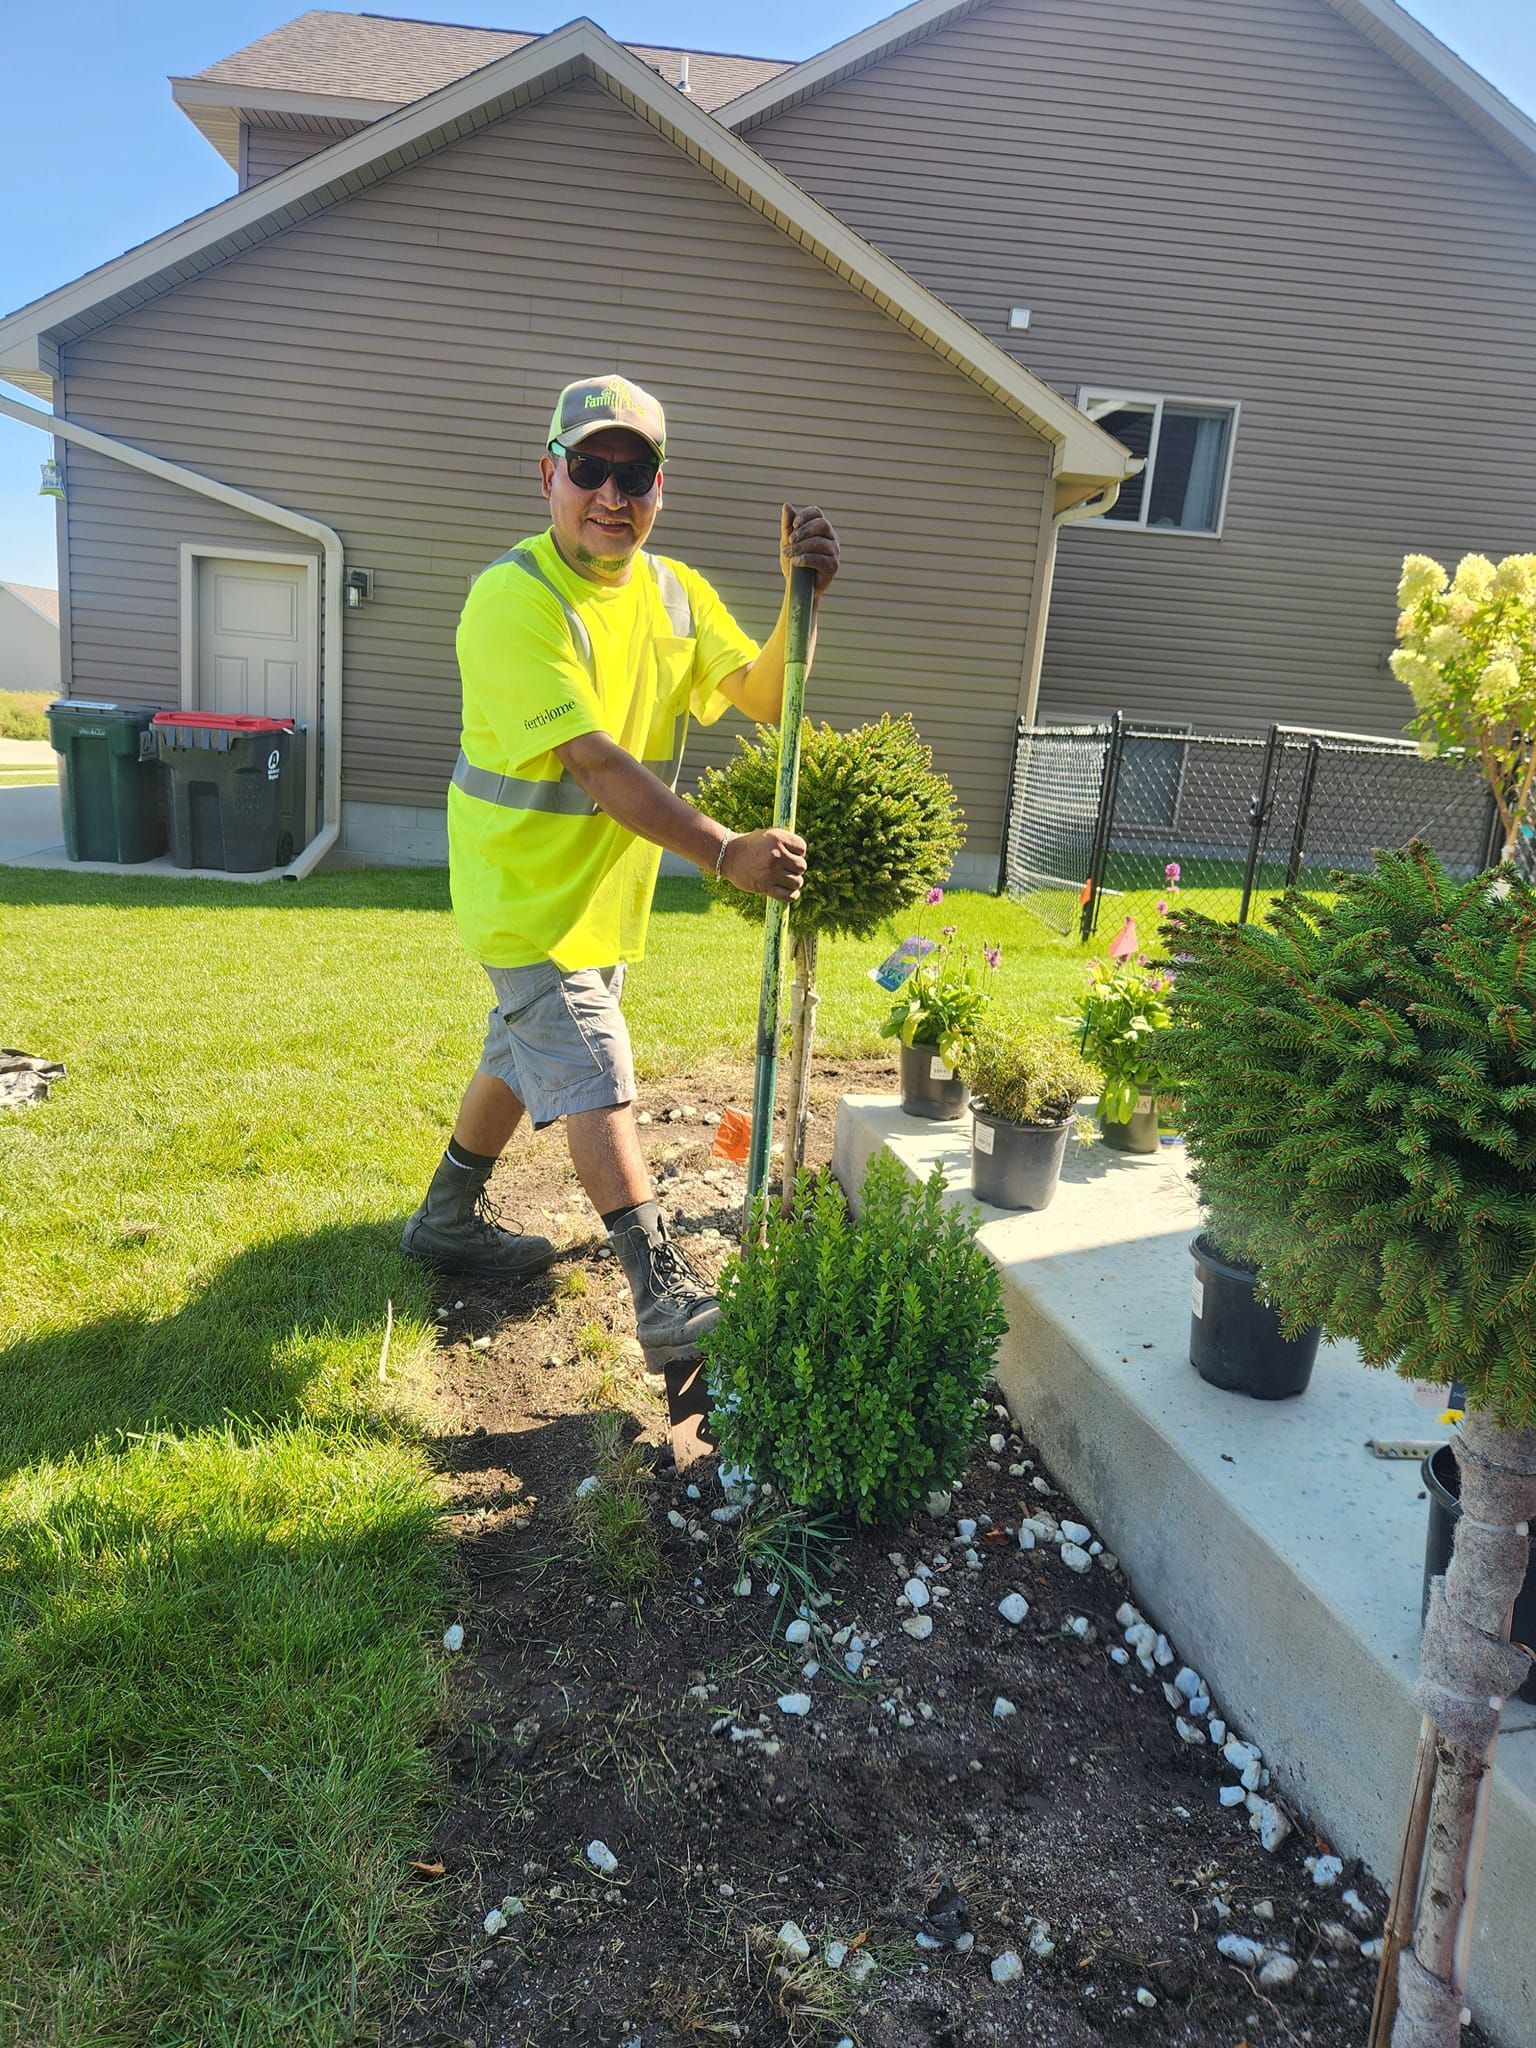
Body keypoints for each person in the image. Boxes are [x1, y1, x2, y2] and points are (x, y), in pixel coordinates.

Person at [403, 372, 840, 1387]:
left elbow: (768, 694)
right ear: (547, 474)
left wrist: (799, 598)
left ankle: (444, 1220)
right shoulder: (514, 598)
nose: (612, 492)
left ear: (659, 484)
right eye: (590, 469)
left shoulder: (676, 592)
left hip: (600, 894)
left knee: (522, 1054)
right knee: (593, 1067)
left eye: (632, 471)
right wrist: (724, 849)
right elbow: (597, 764)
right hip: (523, 891)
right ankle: (664, 1294)